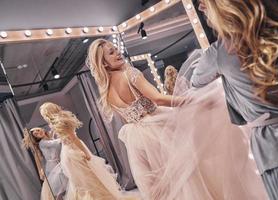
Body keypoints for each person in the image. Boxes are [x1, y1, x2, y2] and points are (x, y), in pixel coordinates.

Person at [87, 39, 268, 199]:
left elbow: (129, 119)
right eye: (111, 52)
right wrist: (192, 101)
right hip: (158, 127)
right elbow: (158, 99)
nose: (118, 52)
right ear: (104, 64)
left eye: (115, 49)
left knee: (168, 184)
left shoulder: (106, 93)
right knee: (189, 173)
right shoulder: (130, 74)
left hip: (137, 141)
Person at [189, 0, 278, 199]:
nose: (200, 7)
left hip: (276, 151)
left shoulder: (220, 52)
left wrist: (223, 73)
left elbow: (195, 81)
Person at [39, 102, 139, 200]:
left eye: (44, 114)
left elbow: (73, 138)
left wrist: (85, 152)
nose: (44, 117)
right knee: (86, 178)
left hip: (70, 152)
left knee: (83, 179)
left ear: (48, 113)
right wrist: (85, 151)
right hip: (71, 152)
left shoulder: (58, 123)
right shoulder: (59, 121)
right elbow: (73, 139)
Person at [22, 127, 68, 200]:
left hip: (58, 164)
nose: (38, 132)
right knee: (59, 190)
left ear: (41, 129)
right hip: (53, 167)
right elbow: (56, 142)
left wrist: (54, 128)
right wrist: (67, 135)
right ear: (36, 138)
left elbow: (53, 136)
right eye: (36, 134)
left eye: (38, 130)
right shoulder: (42, 143)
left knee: (64, 187)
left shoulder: (48, 138)